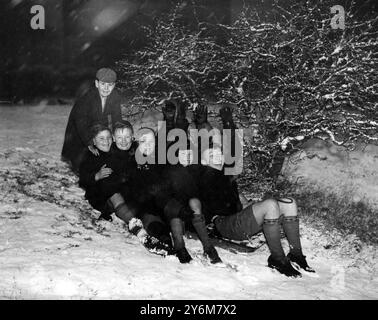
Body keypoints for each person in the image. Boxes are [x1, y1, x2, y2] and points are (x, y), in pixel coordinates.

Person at [127, 127, 222, 264]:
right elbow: (143, 194)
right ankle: (179, 246)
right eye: (143, 141)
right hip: (151, 209)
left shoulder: (162, 159)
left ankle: (208, 248)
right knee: (172, 206)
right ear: (136, 142)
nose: (147, 145)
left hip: (169, 206)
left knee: (192, 201)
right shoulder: (134, 164)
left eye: (151, 141)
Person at [78, 123, 170, 254]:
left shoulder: (134, 149)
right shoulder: (99, 152)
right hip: (106, 196)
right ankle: (140, 232)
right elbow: (84, 176)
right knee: (113, 187)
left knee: (145, 205)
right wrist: (96, 175)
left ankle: (163, 240)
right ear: (115, 138)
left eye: (127, 137)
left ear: (132, 138)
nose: (123, 141)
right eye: (119, 138)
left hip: (127, 194)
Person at [61, 67, 125, 174]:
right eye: (103, 84)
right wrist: (90, 142)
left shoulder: (114, 97)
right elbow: (81, 124)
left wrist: (121, 136)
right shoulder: (86, 99)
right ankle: (76, 162)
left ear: (114, 85)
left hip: (98, 129)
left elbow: (117, 119)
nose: (106, 88)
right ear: (96, 84)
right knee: (85, 167)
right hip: (79, 134)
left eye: (110, 85)